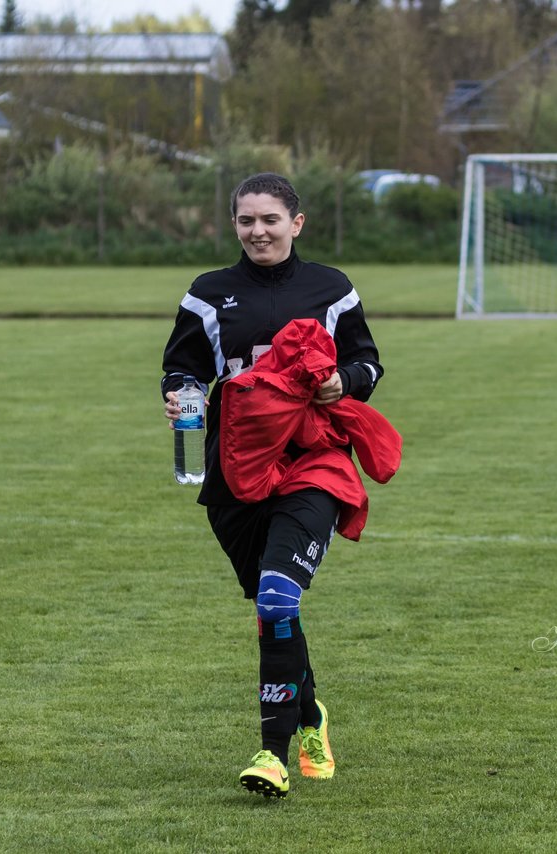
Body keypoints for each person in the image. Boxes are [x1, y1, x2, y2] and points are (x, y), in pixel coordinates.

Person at [161, 173, 385, 799]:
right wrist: (179, 395)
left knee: (279, 599)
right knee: (271, 607)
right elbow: (182, 368)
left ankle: (274, 752)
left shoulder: (331, 289)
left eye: (269, 219)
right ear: (234, 224)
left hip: (313, 463)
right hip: (235, 472)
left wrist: (344, 380)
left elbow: (369, 361)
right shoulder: (208, 295)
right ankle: (310, 714)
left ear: (297, 222)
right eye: (245, 221)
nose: (257, 231)